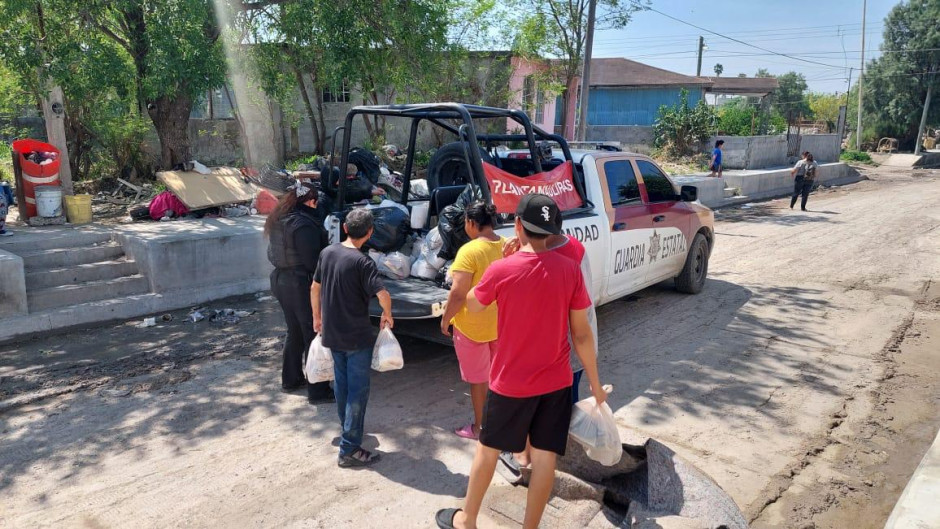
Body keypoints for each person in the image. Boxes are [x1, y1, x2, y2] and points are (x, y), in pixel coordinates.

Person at [435, 194, 606, 529]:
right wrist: (596, 384)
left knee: (488, 449)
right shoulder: (570, 270)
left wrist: (504, 264)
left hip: (510, 382)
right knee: (545, 458)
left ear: (517, 226)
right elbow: (581, 334)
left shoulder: (502, 268)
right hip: (555, 383)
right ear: (554, 230)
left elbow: (472, 304)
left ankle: (467, 520)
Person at [312, 208, 393, 468]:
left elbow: (314, 287)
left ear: (345, 229)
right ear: (369, 233)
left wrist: (317, 317)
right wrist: (387, 315)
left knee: (342, 387)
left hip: (332, 333)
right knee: (358, 393)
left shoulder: (327, 253)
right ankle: (349, 449)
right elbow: (383, 294)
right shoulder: (363, 262)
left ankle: (348, 430)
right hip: (357, 339)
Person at [439, 201, 505, 440]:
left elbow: (457, 293)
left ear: (471, 223)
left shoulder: (469, 251)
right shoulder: (506, 244)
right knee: (498, 377)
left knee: (479, 381)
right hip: (499, 324)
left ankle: (480, 428)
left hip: (472, 327)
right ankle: (500, 422)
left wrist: (446, 319)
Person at [264, 179, 333, 403]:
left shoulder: (279, 219)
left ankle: (291, 379)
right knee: (312, 334)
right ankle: (318, 390)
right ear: (311, 201)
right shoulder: (304, 225)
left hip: (281, 280)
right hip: (300, 283)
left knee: (294, 331)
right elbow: (313, 261)